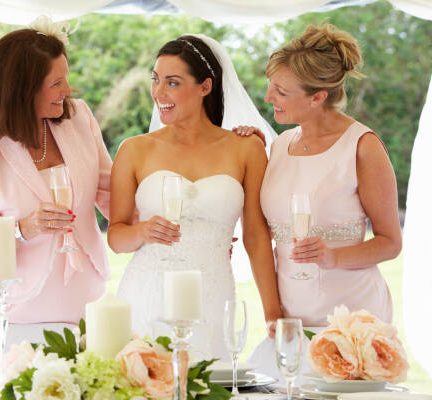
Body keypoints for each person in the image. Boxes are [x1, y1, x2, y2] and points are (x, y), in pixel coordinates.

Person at [0, 17, 112, 382]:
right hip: (21, 310)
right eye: (56, 83)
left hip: (87, 298)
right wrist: (24, 229)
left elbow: (111, 193)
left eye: (65, 77)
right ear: (22, 89)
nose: (67, 90)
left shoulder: (79, 117)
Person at [237, 24, 402, 381]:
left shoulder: (363, 147)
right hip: (291, 319)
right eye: (271, 86)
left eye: (281, 91)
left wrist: (332, 257)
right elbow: (261, 231)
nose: (268, 98)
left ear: (318, 97)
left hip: (351, 318)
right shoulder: (278, 146)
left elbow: (391, 242)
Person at [108, 34, 282, 361]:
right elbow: (116, 236)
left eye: (172, 83)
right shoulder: (133, 150)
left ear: (205, 86)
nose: (159, 93)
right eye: (156, 80)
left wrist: (272, 311)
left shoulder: (246, 148)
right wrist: (143, 231)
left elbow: (257, 237)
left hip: (213, 296)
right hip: (147, 292)